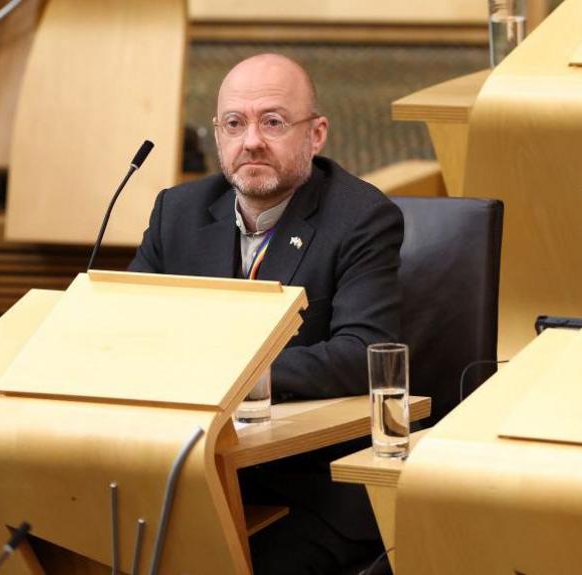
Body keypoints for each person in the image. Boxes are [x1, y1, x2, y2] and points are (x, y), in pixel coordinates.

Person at [129, 53, 403, 573]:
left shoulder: (362, 218)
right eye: (235, 123)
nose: (251, 140)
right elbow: (124, 328)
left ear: (315, 134)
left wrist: (236, 375)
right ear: (217, 134)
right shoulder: (177, 213)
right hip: (189, 470)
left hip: (307, 484)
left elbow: (364, 352)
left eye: (272, 122)